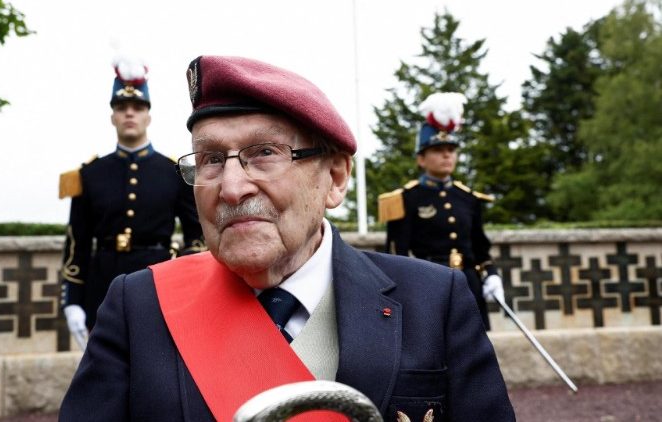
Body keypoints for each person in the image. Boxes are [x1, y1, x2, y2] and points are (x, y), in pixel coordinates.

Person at [59, 56, 515, 421]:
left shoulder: (436, 301)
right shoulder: (137, 308)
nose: (232, 187)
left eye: (265, 153)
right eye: (211, 159)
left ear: (335, 178)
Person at [58, 57, 205, 336]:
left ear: (148, 116)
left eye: (137, 108)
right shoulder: (88, 175)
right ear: (112, 116)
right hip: (101, 289)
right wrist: (72, 301)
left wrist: (183, 278)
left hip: (160, 285)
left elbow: (197, 237)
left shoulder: (174, 172)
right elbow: (76, 243)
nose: (129, 114)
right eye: (122, 108)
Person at [378, 92, 505, 331]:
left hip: (468, 286)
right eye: (438, 150)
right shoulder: (405, 199)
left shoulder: (468, 198)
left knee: (475, 358)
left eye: (451, 149)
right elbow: (397, 256)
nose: (447, 155)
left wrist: (492, 274)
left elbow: (480, 247)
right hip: (428, 287)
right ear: (421, 159)